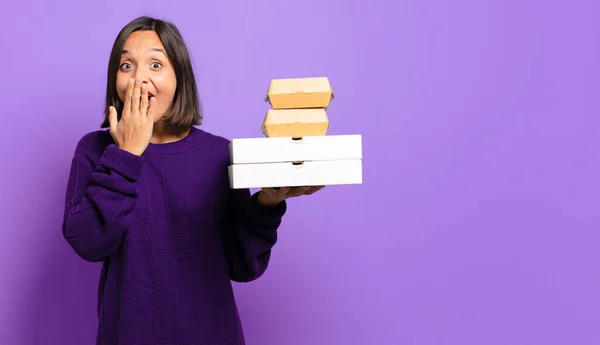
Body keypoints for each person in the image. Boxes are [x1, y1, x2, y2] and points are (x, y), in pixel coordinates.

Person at [62, 15, 323, 345]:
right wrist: (126, 154)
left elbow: (243, 265)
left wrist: (268, 203)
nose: (138, 79)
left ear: (179, 77)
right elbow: (88, 242)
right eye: (126, 66)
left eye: (155, 65)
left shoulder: (219, 154)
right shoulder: (94, 149)